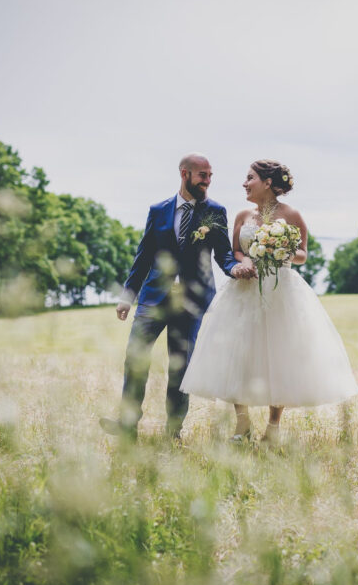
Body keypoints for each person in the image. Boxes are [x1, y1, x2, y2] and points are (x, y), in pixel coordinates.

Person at [180, 159, 358, 444]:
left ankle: (273, 427)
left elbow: (302, 254)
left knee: (280, 353)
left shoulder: (292, 214)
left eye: (250, 177)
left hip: (281, 289)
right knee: (237, 353)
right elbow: (235, 251)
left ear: (267, 183)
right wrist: (246, 260)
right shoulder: (242, 215)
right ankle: (242, 424)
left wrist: (280, 252)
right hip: (244, 289)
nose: (244, 183)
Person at [100, 153, 253, 441]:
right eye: (202, 175)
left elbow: (222, 253)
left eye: (210, 175)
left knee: (179, 367)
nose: (207, 181)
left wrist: (235, 269)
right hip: (153, 299)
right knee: (135, 359)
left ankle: (173, 432)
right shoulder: (158, 210)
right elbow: (143, 256)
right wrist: (127, 296)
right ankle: (127, 425)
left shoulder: (216, 211)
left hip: (191, 302)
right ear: (185, 174)